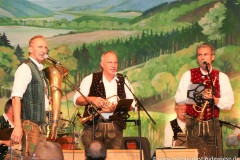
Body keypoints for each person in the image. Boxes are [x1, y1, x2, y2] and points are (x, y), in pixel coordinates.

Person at [175, 43, 234, 158]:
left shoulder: (221, 76)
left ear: (212, 57)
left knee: (215, 155)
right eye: (199, 55)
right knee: (196, 156)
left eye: (205, 54)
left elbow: (229, 103)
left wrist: (215, 99)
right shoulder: (188, 75)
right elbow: (179, 98)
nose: (202, 58)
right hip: (193, 123)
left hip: (213, 123)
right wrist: (198, 95)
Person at [73, 50, 136, 149]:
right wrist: (92, 99)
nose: (113, 65)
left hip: (116, 127)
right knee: (93, 156)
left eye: (115, 62)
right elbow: (77, 100)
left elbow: (133, 104)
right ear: (102, 64)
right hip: (93, 126)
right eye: (109, 62)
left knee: (114, 158)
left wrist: (116, 109)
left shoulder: (123, 81)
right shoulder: (90, 79)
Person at [11, 35, 50, 157]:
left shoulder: (40, 71)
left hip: (41, 125)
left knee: (39, 158)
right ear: (30, 49)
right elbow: (16, 97)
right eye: (40, 47)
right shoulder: (25, 68)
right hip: (30, 125)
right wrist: (17, 126)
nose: (43, 50)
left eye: (45, 47)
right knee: (30, 157)